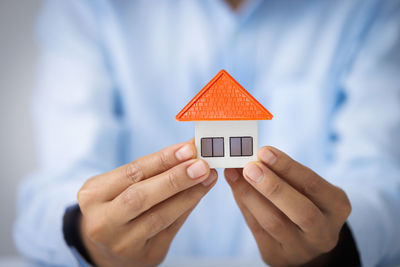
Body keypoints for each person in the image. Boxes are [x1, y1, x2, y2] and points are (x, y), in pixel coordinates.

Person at [13, 0, 400, 266]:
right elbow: (54, 190)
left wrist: (335, 246)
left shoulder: (371, 9)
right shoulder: (90, 8)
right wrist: (91, 239)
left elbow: (383, 178)